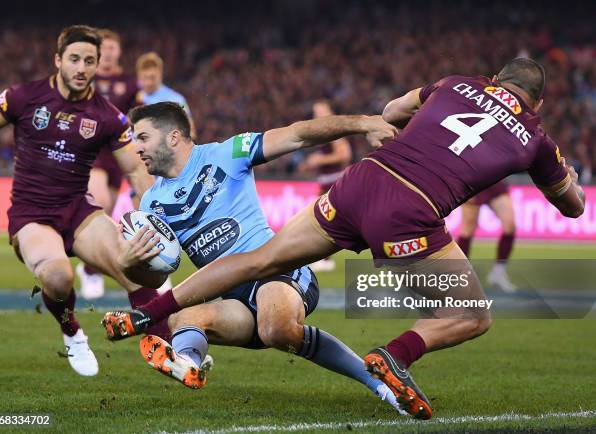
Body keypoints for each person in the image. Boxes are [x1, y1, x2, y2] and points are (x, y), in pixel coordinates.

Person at [102, 58, 585, 419]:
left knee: (261, 268)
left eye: (142, 138)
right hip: (411, 207)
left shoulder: (456, 83)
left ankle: (150, 315)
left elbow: (392, 109)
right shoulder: (536, 136)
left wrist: (378, 123)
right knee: (471, 315)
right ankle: (394, 357)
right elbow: (573, 206)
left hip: (361, 181)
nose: (136, 148)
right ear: (536, 102)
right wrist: (567, 182)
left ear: (495, 79)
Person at [107, 101, 406, 412]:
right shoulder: (152, 202)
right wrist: (132, 263)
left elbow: (298, 135)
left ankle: (381, 383)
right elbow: (157, 276)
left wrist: (363, 123)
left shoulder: (228, 153)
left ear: (173, 137)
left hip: (278, 272)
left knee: (275, 327)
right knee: (182, 319)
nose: (136, 148)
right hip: (236, 299)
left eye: (142, 137)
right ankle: (187, 363)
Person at [0, 25, 158, 377]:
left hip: (80, 212)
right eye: (74, 59)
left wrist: (150, 211)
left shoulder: (108, 116)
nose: (81, 67)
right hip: (32, 215)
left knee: (138, 271)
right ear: (58, 60)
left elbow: (137, 173)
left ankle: (171, 347)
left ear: (97, 66)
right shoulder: (23, 97)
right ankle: (73, 332)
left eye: (89, 61)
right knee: (59, 278)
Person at [76, 29, 143, 299]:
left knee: (108, 211)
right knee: (100, 202)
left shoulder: (128, 82)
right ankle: (91, 270)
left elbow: (137, 114)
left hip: (119, 151)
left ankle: (89, 267)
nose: (109, 52)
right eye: (105, 47)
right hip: (93, 148)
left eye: (113, 47)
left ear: (119, 51)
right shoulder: (86, 77)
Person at [299, 99, 352, 272]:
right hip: (326, 182)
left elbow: (344, 154)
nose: (318, 116)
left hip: (334, 183)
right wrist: (310, 164)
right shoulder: (323, 133)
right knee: (323, 220)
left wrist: (319, 159)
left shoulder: (334, 129)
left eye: (321, 111)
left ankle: (324, 259)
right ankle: (324, 258)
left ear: (330, 111)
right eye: (316, 112)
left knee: (320, 220)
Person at [457, 181, 517, 291]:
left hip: (493, 179)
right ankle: (461, 276)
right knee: (467, 230)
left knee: (510, 225)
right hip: (472, 180)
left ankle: (498, 273)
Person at [136, 52, 197, 140]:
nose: (149, 82)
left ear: (160, 74)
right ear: (139, 76)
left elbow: (190, 132)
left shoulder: (175, 100)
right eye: (145, 78)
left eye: (152, 77)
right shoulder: (131, 98)